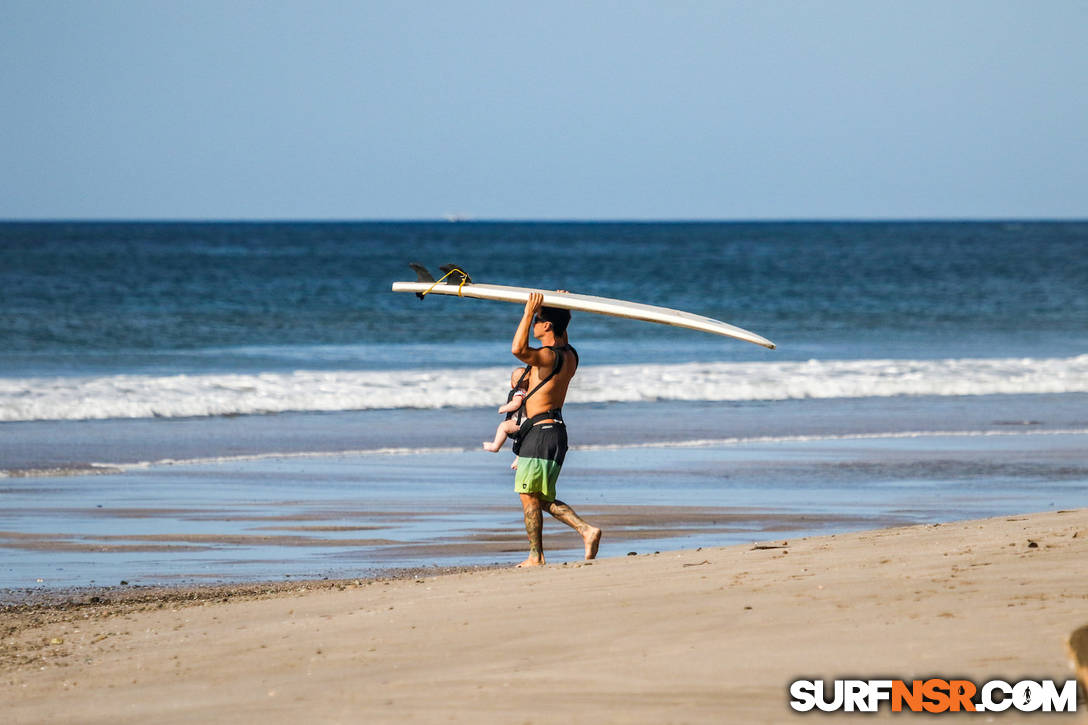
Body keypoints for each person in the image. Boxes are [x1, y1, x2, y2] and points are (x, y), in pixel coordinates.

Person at [508, 292, 601, 567]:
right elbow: (561, 334)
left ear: (547, 326)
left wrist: (527, 312)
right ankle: (587, 531)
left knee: (528, 495)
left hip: (540, 433)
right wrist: (563, 308)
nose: (534, 323)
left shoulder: (547, 357)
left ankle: (535, 556)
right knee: (541, 497)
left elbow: (518, 350)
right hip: (555, 431)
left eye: (538, 320)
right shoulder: (570, 355)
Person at [482, 367, 530, 463]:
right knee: (522, 440)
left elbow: (516, 404)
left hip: (520, 422)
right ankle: (518, 458)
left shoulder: (519, 393)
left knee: (503, 426)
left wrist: (503, 408)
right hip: (528, 421)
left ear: (513, 384)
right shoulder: (529, 393)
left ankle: (495, 446)